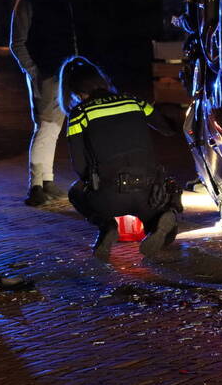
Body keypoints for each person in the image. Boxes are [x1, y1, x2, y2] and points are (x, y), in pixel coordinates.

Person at [59, 56, 178, 260]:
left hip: (109, 195)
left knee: (75, 193)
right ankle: (160, 222)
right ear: (102, 80)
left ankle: (107, 227)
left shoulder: (79, 114)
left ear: (75, 91)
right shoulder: (135, 102)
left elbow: (79, 165)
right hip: (149, 191)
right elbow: (167, 129)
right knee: (163, 229)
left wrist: (93, 182)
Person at [9, 0, 77, 207]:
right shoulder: (28, 0)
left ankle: (45, 180)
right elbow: (18, 42)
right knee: (46, 126)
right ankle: (36, 184)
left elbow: (69, 35)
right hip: (46, 72)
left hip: (60, 71)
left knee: (52, 127)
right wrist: (35, 72)